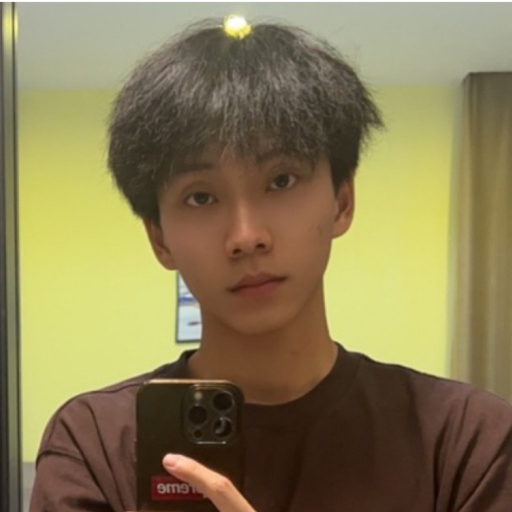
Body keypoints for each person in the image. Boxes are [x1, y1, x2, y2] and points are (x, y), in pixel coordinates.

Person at [30, 17, 512, 512]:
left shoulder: (465, 442)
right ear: (159, 238)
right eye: (200, 197)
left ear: (342, 201)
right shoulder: (95, 445)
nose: (246, 237)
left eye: (281, 180)